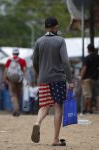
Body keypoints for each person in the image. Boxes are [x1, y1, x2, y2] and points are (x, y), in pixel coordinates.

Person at [31, 17, 74, 146]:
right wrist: (70, 80)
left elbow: (34, 61)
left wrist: (40, 73)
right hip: (58, 79)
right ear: (56, 27)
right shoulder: (60, 41)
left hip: (43, 78)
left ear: (45, 28)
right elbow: (65, 62)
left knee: (44, 104)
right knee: (58, 106)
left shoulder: (39, 41)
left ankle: (37, 122)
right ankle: (55, 139)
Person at [3, 48, 29, 117]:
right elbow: (25, 71)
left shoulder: (9, 60)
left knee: (13, 94)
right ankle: (17, 109)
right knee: (18, 95)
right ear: (18, 54)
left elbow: (6, 71)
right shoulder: (22, 60)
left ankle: (16, 109)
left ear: (12, 53)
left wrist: (4, 80)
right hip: (19, 80)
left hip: (11, 80)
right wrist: (27, 80)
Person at [80, 44, 99, 114]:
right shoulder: (98, 57)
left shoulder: (87, 58)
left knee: (87, 95)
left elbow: (84, 68)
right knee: (96, 94)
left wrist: (81, 78)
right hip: (95, 79)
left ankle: (87, 109)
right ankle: (93, 108)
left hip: (87, 79)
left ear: (88, 49)